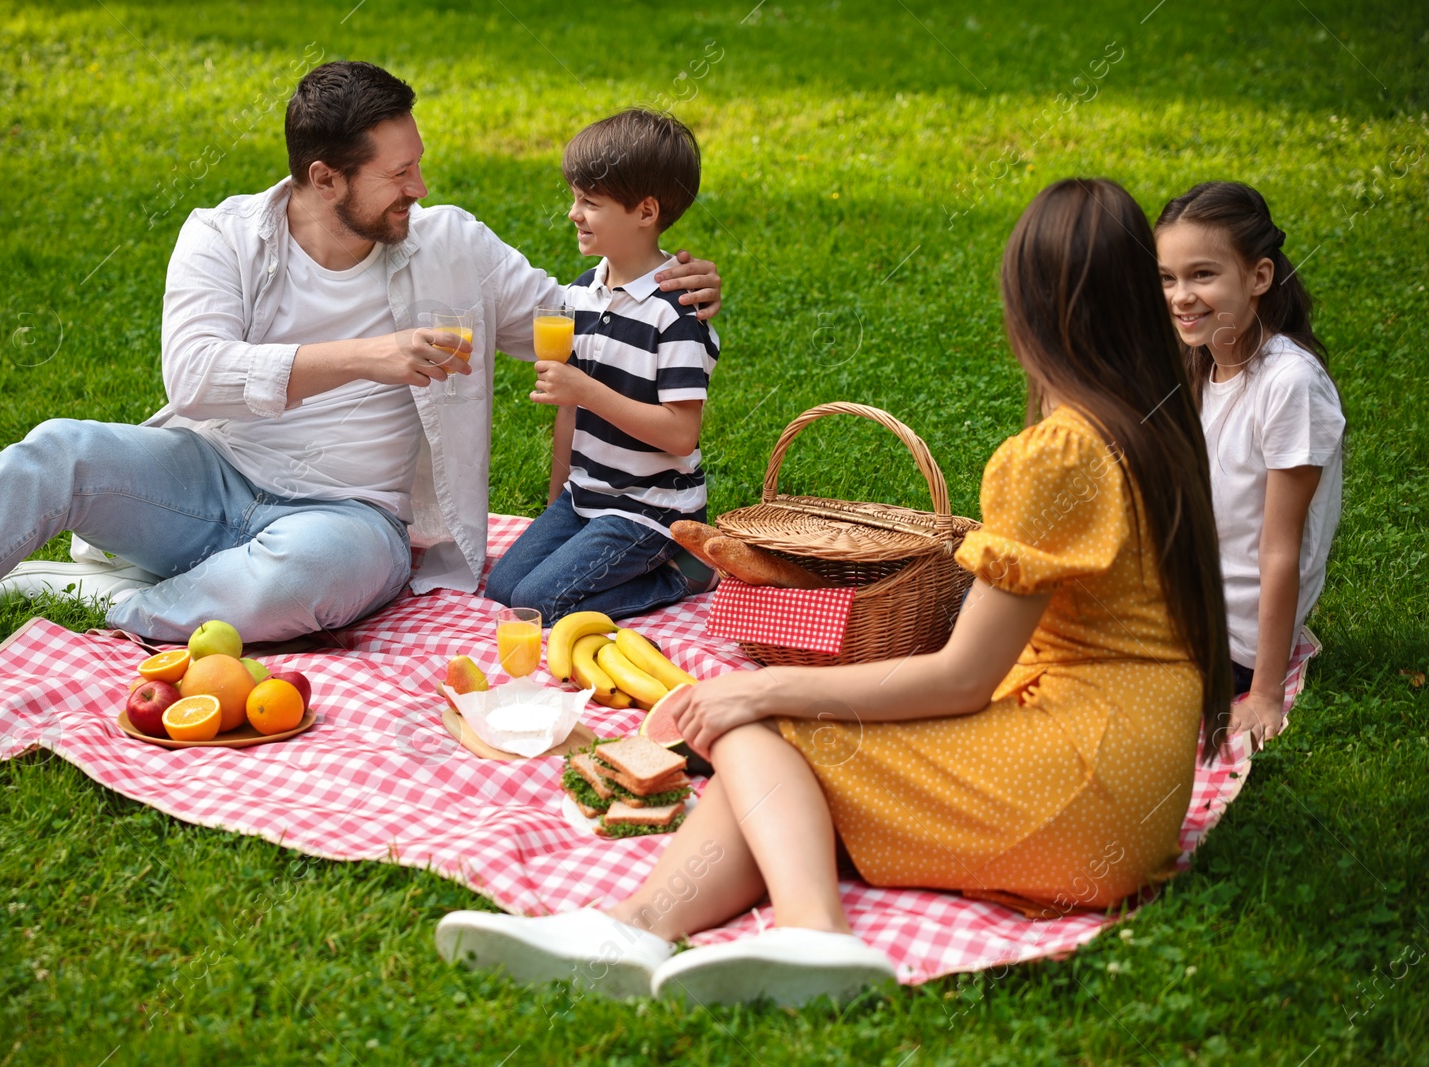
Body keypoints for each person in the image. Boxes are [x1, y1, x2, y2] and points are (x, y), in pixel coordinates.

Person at [435, 178, 1233, 1007]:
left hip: (1081, 790)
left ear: (1028, 306)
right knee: (777, 777)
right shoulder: (1156, 424)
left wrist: (759, 685)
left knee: (766, 731)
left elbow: (962, 676)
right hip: (1143, 782)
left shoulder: (1057, 455)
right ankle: (628, 930)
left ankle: (814, 936)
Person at [0, 61, 722, 672]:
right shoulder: (221, 235)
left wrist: (665, 281)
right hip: (212, 478)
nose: (419, 188)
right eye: (398, 173)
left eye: (418, 166)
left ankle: (122, 611)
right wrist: (373, 356)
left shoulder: (451, 244)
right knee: (57, 450)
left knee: (312, 577)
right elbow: (196, 376)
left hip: (350, 520)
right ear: (326, 177)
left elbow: (573, 321)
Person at [484, 109, 721, 620]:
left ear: (645, 211)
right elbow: (569, 415)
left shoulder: (675, 314)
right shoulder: (578, 298)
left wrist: (584, 390)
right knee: (502, 589)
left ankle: (683, 573)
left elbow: (681, 435)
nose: (573, 213)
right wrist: (555, 505)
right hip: (585, 496)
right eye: (575, 198)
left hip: (651, 509)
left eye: (590, 202)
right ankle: (590, 541)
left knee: (539, 603)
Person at [1154, 181, 1344, 750]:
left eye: (1202, 275)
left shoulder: (1289, 385)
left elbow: (1279, 549)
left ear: (1259, 278)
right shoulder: (1199, 367)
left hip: (1228, 643)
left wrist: (1263, 694)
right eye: (1167, 277)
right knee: (991, 598)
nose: (1180, 296)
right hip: (1179, 608)